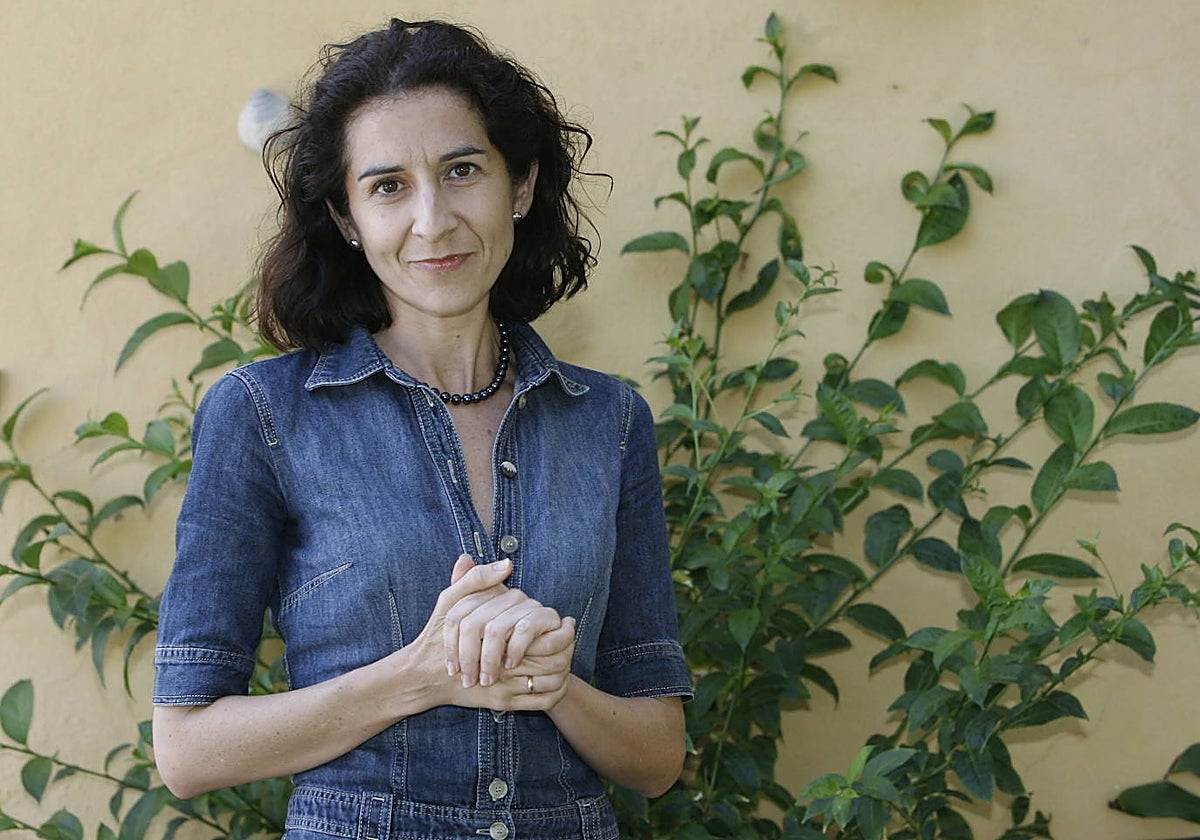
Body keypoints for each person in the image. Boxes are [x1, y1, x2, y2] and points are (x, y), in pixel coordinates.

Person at [150, 18, 692, 840]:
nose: (433, 220)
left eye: (462, 170)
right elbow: (187, 752)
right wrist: (422, 674)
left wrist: (553, 683)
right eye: (388, 187)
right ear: (346, 217)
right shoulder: (263, 415)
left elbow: (657, 759)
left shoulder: (610, 422)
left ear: (520, 185)